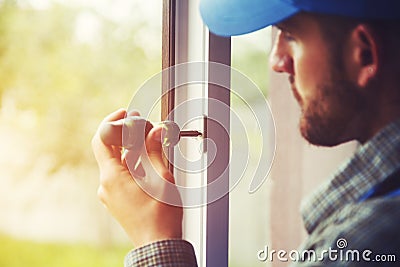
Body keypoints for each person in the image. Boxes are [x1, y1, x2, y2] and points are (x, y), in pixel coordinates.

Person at [91, 0, 400, 266]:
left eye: (290, 35)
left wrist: (153, 239)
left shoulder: (366, 241)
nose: (277, 61)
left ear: (364, 54)